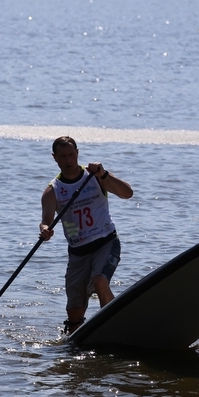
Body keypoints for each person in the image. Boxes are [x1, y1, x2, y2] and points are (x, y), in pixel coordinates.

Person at [39, 136, 133, 334]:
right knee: (74, 312)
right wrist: (45, 229)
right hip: (78, 253)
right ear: (54, 158)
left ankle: (113, 327)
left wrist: (104, 174)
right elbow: (46, 220)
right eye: (63, 156)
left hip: (106, 243)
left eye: (71, 155)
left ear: (78, 153)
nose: (68, 160)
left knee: (100, 281)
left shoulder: (95, 176)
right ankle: (75, 343)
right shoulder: (52, 191)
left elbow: (127, 193)